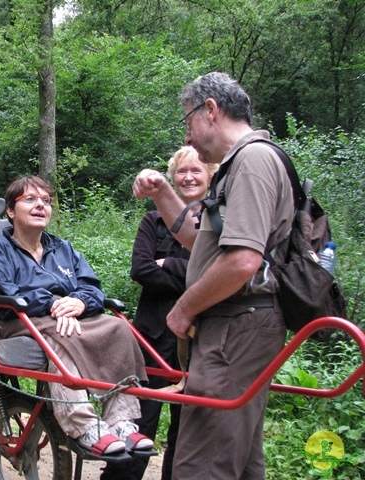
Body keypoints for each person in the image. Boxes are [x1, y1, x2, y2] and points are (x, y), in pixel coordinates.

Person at [133, 72, 295, 479]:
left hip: (235, 329)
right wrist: (162, 193)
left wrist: (183, 310)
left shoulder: (254, 160)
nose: (188, 137)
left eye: (188, 121)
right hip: (235, 328)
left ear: (210, 110)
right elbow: (199, 240)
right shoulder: (237, 165)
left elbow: (242, 261)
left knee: (200, 464)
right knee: (239, 462)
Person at [0, 175, 154, 456]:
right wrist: (54, 303)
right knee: (64, 332)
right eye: (29, 199)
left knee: (119, 327)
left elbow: (90, 286)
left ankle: (121, 420)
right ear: (10, 210)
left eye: (46, 201)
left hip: (66, 318)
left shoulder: (63, 249)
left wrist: (79, 302)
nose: (40, 205)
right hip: (14, 321)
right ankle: (83, 426)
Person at [101, 146, 217, 480]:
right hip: (151, 338)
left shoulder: (213, 217)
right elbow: (141, 270)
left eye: (196, 170)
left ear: (210, 175)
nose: (189, 177)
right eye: (182, 171)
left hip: (200, 337)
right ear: (173, 177)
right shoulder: (153, 219)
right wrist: (192, 273)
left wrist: (171, 265)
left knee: (188, 427)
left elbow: (216, 270)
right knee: (139, 420)